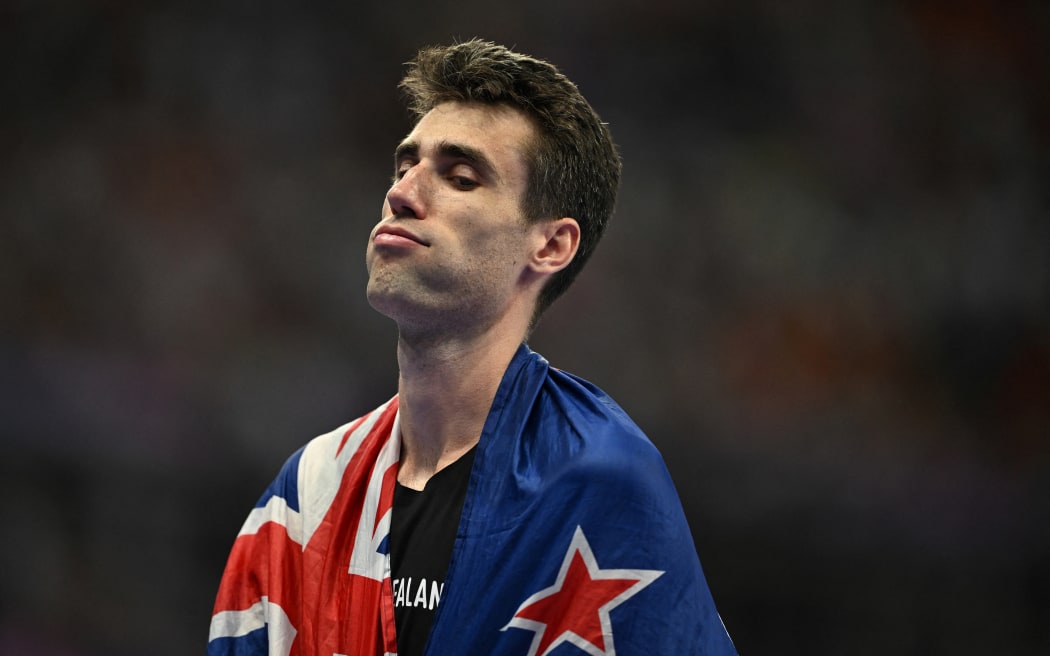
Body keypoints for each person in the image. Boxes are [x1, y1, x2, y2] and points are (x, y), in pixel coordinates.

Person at [208, 39, 737, 656]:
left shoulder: (600, 483)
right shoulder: (307, 495)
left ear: (550, 247)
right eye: (403, 167)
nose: (402, 193)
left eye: (461, 178)